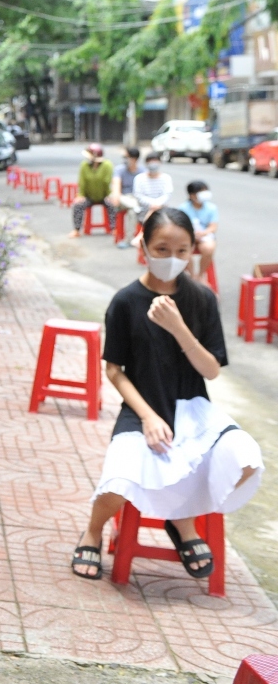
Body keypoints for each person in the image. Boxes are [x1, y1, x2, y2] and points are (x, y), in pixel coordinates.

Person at [71, 208, 262, 581]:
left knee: (246, 462)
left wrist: (178, 328)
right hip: (143, 407)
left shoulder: (201, 300)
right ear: (142, 245)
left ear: (194, 250)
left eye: (182, 251)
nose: (171, 259)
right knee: (121, 480)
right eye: (161, 249)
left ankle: (182, 519)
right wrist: (148, 416)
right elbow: (114, 370)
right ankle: (92, 531)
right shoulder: (126, 301)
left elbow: (211, 370)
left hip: (193, 409)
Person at [68, 143, 116, 239]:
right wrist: (80, 195)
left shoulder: (107, 165)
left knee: (113, 205)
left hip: (104, 195)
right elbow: (82, 182)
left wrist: (110, 195)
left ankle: (114, 228)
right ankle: (76, 230)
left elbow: (108, 181)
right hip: (88, 196)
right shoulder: (84, 165)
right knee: (77, 205)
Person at [177, 180, 218, 285]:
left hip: (205, 236)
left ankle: (200, 275)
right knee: (185, 251)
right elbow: (180, 226)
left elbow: (213, 227)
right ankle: (192, 276)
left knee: (209, 249)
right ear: (192, 195)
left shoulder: (211, 208)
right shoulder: (183, 208)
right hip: (188, 236)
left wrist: (203, 233)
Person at [110, 147, 141, 249]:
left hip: (136, 199)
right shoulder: (119, 170)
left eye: (126, 157)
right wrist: (116, 196)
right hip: (122, 199)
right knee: (116, 197)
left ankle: (129, 239)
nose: (124, 159)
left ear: (134, 159)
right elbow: (116, 187)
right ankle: (135, 206)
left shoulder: (142, 172)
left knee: (133, 211)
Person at [131, 151, 172, 220]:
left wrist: (157, 204)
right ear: (146, 163)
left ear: (160, 162)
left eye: (155, 161)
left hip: (161, 208)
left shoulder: (166, 178)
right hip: (143, 209)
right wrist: (152, 205)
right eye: (150, 161)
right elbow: (138, 195)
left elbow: (167, 194)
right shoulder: (139, 178)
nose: (153, 163)